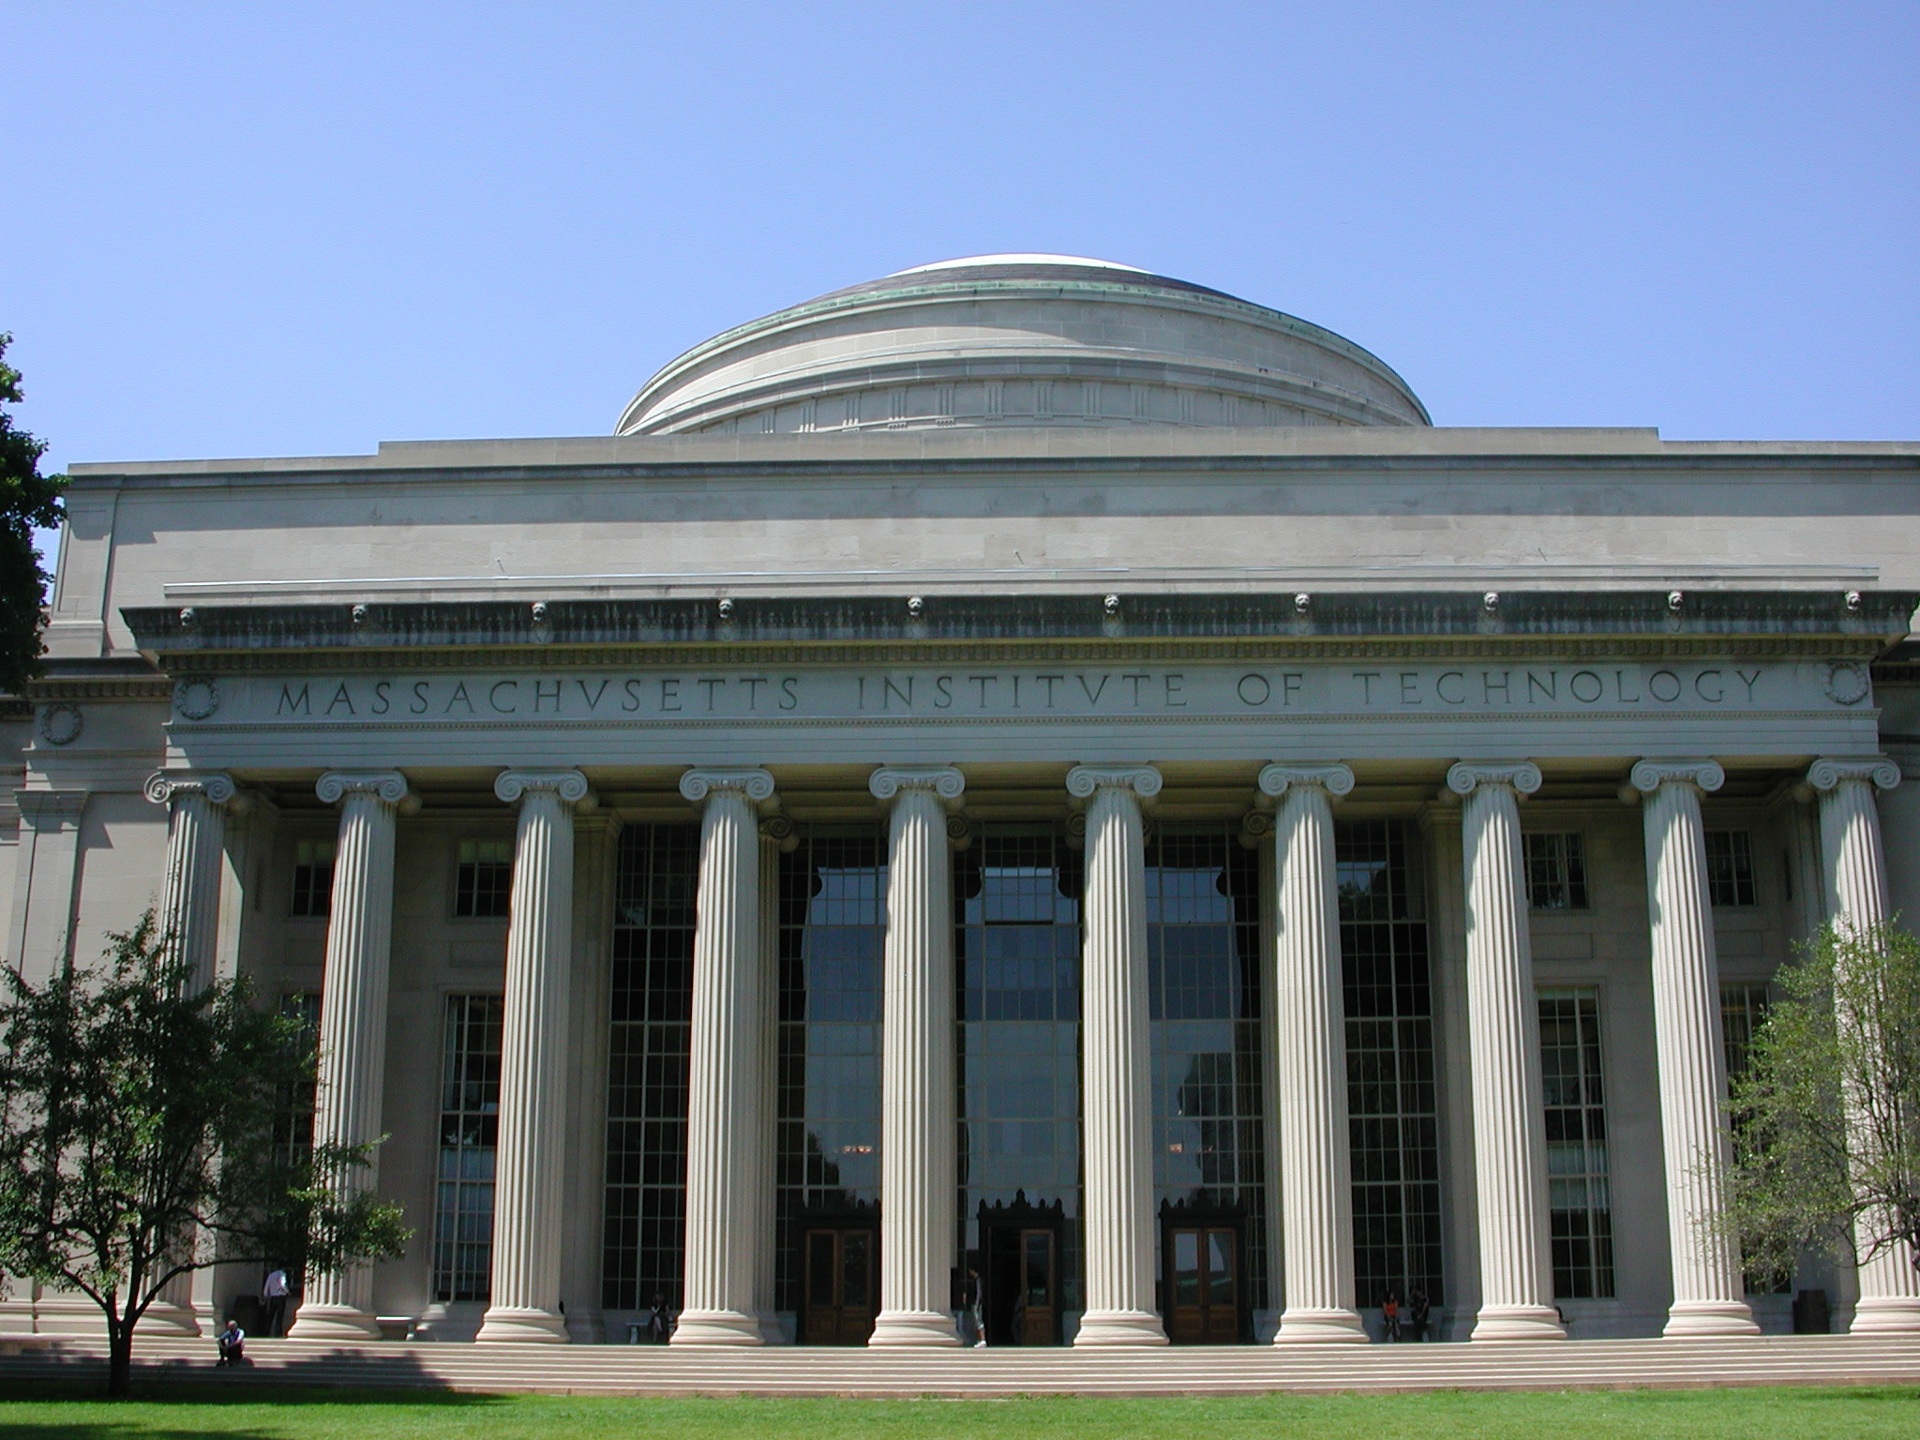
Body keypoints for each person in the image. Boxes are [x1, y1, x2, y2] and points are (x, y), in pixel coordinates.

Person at [260, 1267, 290, 1337]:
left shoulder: (271, 1275)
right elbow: (283, 1284)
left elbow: (266, 1287)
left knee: (270, 1316)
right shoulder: (282, 1274)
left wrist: (266, 1295)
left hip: (273, 1297)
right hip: (280, 1297)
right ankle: (278, 1333)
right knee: (279, 1316)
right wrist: (287, 1292)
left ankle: (266, 1332)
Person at [959, 1267, 984, 1347]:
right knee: (976, 1323)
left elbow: (979, 1294)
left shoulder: (978, 1280)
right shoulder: (976, 1280)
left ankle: (982, 1340)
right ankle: (979, 1340)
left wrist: (977, 1304)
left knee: (978, 1322)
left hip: (976, 1304)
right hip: (975, 1304)